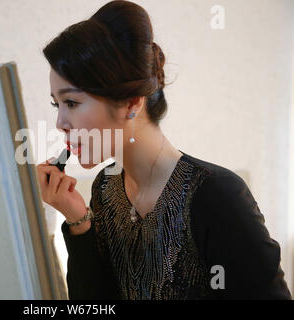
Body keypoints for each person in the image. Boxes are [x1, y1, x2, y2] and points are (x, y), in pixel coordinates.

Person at [36, 0, 291, 300]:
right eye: (57, 104)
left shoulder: (217, 198)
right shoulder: (105, 188)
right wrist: (77, 220)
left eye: (72, 103)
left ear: (131, 102)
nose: (60, 123)